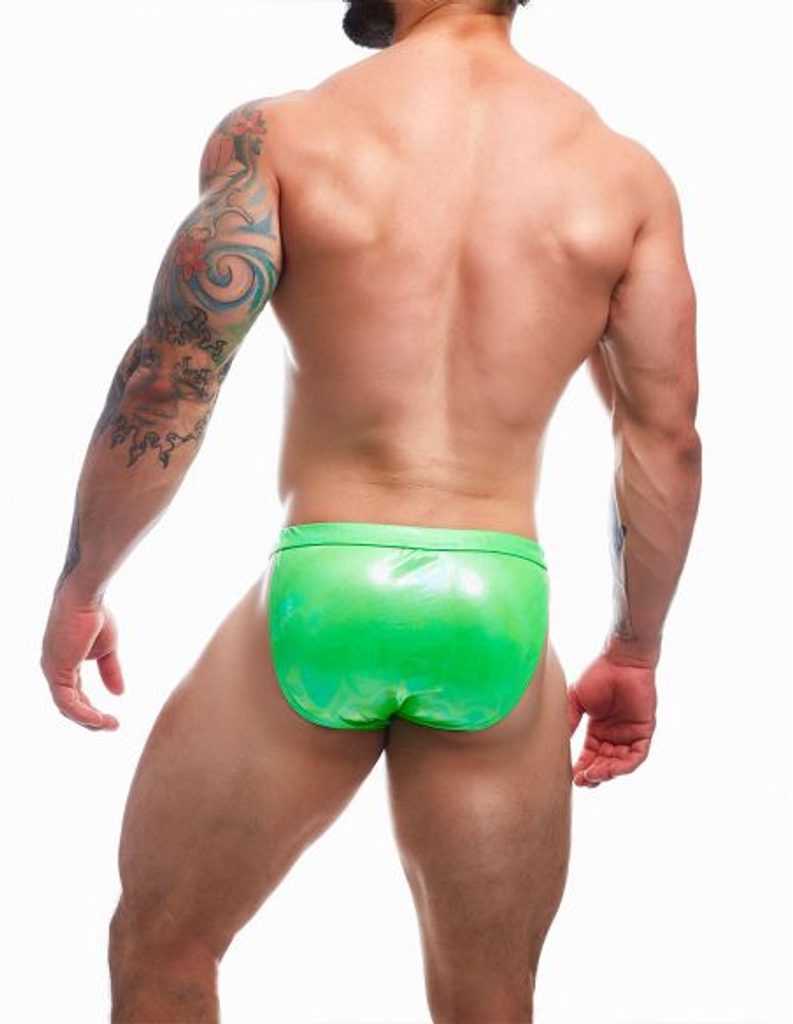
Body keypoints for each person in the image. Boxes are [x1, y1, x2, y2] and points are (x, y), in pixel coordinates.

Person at [38, 0, 702, 1020]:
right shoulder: (623, 177)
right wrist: (635, 649)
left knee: (163, 947)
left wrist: (84, 583)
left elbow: (167, 384)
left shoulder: (283, 135)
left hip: (325, 580)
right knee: (490, 998)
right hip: (494, 600)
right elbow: (663, 439)